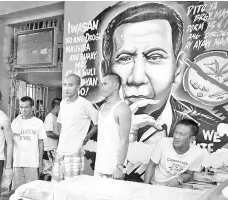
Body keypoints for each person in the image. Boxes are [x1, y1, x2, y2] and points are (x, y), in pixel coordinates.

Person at [95, 2, 225, 150]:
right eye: (125, 58)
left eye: (155, 56)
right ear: (106, 70)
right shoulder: (90, 120)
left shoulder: (209, 126)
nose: (137, 79)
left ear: (177, 67)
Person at [52, 74, 98, 182]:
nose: (66, 88)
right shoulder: (63, 103)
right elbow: (60, 123)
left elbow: (97, 124)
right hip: (60, 151)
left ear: (78, 87)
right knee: (56, 186)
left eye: (70, 85)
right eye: (65, 85)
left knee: (71, 188)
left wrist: (86, 138)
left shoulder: (85, 104)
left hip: (74, 152)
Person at [144, 119, 205, 187]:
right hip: (155, 185)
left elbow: (190, 174)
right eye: (176, 132)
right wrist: (146, 187)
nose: (176, 136)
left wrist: (178, 179)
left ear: (191, 139)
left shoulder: (198, 153)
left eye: (181, 134)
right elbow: (151, 165)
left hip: (177, 189)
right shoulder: (163, 143)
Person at [94, 73, 132, 179]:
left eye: (105, 84)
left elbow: (125, 140)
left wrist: (119, 167)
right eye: (101, 84)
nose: (102, 87)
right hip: (99, 166)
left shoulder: (122, 108)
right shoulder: (102, 107)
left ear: (116, 86)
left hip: (113, 168)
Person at [11, 96, 46, 190]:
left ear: (32, 108)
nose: (23, 110)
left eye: (26, 107)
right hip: (17, 163)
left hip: (32, 163)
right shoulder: (15, 122)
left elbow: (41, 143)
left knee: (31, 192)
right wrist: (9, 164)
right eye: (21, 107)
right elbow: (11, 143)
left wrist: (40, 161)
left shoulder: (38, 123)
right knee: (18, 192)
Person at [42, 98, 61, 181]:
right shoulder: (50, 117)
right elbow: (48, 133)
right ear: (57, 106)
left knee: (52, 171)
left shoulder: (55, 117)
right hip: (50, 149)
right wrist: (61, 137)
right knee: (48, 172)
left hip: (53, 149)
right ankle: (44, 189)